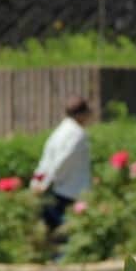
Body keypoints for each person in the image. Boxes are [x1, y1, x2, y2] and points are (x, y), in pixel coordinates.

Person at [32, 96, 92, 233]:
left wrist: (37, 181)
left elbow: (46, 160)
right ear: (81, 114)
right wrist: (46, 182)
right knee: (67, 233)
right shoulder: (77, 133)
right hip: (70, 191)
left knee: (55, 232)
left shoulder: (59, 131)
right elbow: (63, 160)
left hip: (58, 189)